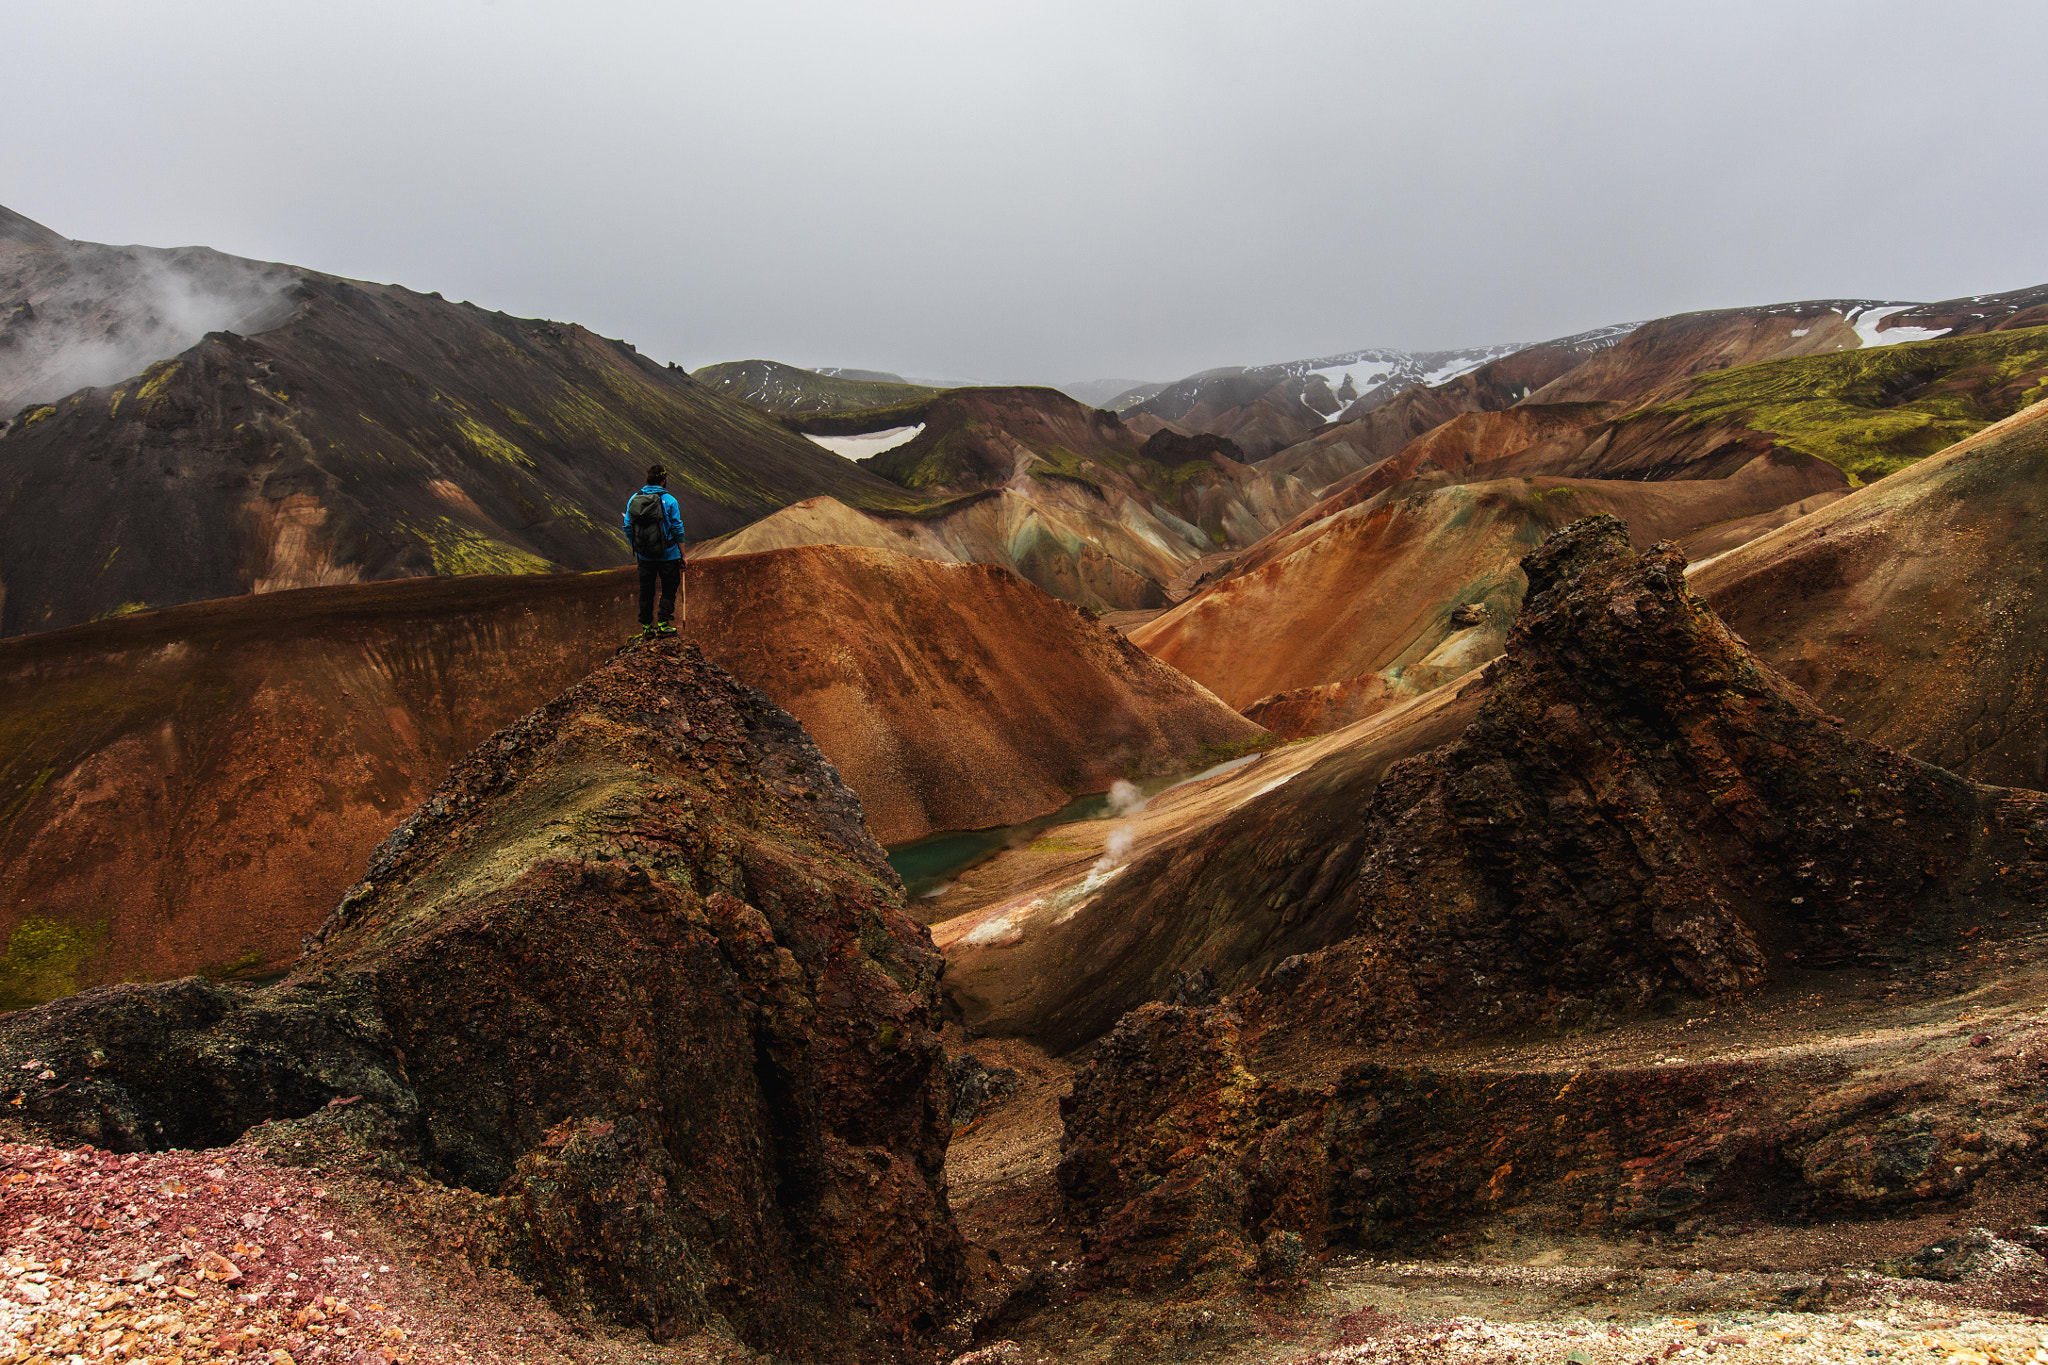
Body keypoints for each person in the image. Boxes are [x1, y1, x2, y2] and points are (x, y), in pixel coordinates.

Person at [622, 465, 686, 638]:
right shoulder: (670, 501)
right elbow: (677, 528)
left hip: (644, 556)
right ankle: (664, 622)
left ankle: (646, 627)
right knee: (669, 587)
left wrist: (637, 545)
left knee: (646, 590)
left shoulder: (634, 499)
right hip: (668, 553)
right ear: (663, 480)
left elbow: (627, 526)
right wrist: (682, 554)